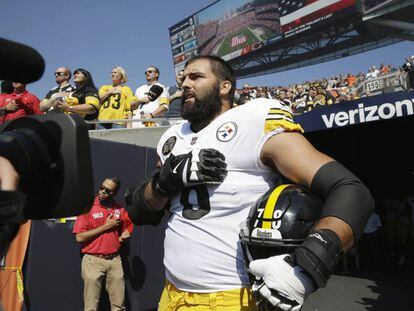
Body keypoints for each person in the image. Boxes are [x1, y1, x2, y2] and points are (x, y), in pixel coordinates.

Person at [125, 55, 374, 311]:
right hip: (172, 293)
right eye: (183, 78)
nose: (185, 84)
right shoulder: (172, 136)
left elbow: (349, 189)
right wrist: (164, 182)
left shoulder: (255, 119)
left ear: (225, 86)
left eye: (196, 77)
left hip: (234, 297)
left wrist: (312, 262)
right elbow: (141, 211)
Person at [73, 177, 133, 311]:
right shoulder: (88, 208)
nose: (103, 192)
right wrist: (106, 227)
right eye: (102, 188)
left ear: (114, 193)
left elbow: (128, 225)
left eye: (108, 190)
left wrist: (126, 234)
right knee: (91, 307)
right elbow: (79, 237)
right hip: (93, 261)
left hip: (115, 260)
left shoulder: (119, 209)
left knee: (119, 306)